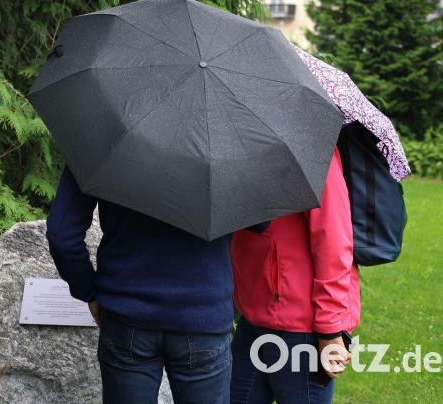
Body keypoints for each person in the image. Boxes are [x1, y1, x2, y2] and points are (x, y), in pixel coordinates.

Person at [46, 167, 234, 404]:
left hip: (126, 314)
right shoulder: (226, 146)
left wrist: (89, 292)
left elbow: (61, 234)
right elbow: (259, 224)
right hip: (203, 316)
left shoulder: (102, 137)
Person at [230, 147, 359, 404]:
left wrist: (330, 330)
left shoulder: (310, 148)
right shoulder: (242, 142)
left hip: (303, 328)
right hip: (253, 317)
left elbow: (334, 241)